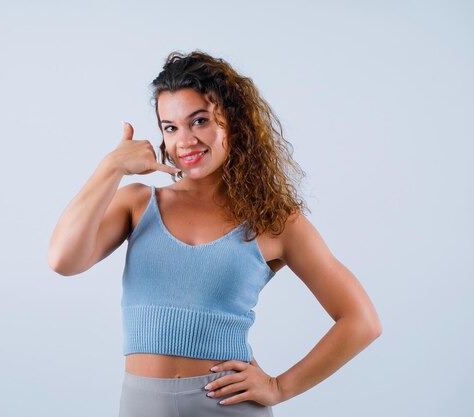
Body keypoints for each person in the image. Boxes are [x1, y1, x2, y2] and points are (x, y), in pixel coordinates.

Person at [47, 50, 382, 417]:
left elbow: (361, 320)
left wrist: (279, 387)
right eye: (170, 127)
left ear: (233, 121)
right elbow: (63, 260)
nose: (185, 141)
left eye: (199, 121)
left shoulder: (273, 221)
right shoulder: (138, 204)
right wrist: (110, 168)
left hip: (229, 408)